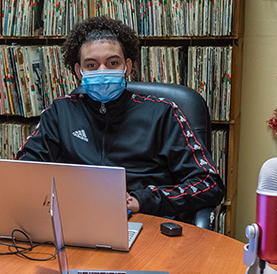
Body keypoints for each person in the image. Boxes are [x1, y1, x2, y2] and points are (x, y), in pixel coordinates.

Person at [15, 16, 224, 219]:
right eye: (91, 65)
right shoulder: (60, 112)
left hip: (144, 222)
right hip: (76, 221)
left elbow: (209, 183)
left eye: (113, 63)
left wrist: (143, 200)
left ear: (127, 67)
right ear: (79, 71)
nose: (102, 71)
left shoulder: (162, 113)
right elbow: (24, 170)